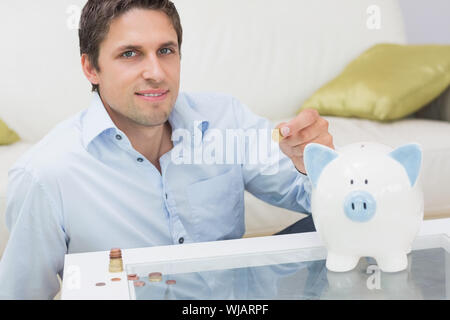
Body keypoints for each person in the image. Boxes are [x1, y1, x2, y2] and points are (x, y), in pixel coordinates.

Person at [0, 0, 333, 299]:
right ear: (91, 68)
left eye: (166, 51)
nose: (156, 73)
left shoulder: (224, 120)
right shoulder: (45, 175)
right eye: (129, 53)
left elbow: (317, 200)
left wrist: (316, 163)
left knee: (343, 225)